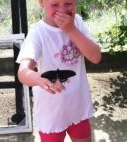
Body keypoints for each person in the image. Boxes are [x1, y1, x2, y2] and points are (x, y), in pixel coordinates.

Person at [16, 0, 101, 141]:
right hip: (51, 112)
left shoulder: (78, 23)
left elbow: (96, 57)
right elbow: (23, 72)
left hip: (78, 107)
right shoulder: (38, 32)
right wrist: (39, 79)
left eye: (68, 3)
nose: (62, 10)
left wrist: (71, 29)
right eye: (55, 5)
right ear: (41, 3)